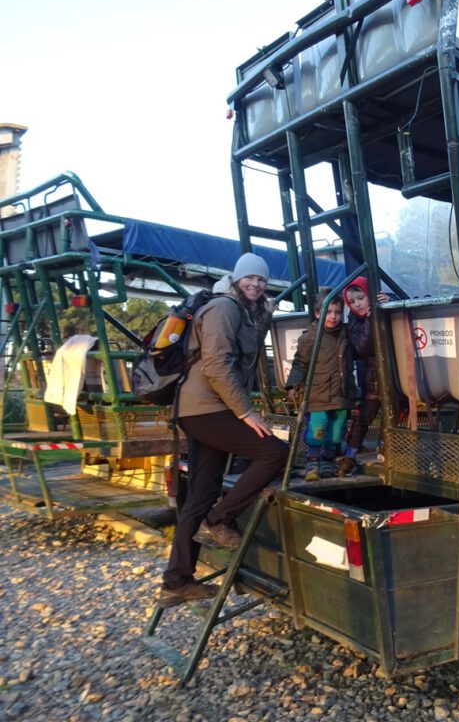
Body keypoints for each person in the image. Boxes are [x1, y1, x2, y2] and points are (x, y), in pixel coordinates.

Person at [158, 253, 288, 608]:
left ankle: (176, 583)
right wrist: (246, 413)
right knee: (274, 452)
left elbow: (243, 353)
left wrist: (264, 314)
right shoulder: (224, 308)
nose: (256, 284)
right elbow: (217, 365)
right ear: (236, 278)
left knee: (200, 492)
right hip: (206, 409)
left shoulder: (241, 310)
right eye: (250, 278)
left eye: (262, 281)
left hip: (203, 409)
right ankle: (218, 520)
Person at [285, 288, 356, 480]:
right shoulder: (310, 337)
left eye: (337, 312)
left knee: (336, 431)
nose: (333, 317)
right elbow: (300, 363)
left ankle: (328, 462)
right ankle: (312, 462)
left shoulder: (346, 333)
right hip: (319, 393)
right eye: (328, 312)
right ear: (318, 313)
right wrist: (293, 385)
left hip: (341, 393)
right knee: (317, 428)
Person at [340, 276, 389, 465]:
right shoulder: (354, 322)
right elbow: (363, 347)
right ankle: (351, 450)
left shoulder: (384, 307)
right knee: (366, 414)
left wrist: (389, 302)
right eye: (352, 302)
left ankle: (385, 448)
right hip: (371, 378)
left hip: (393, 373)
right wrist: (370, 320)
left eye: (361, 298)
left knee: (391, 414)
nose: (357, 304)